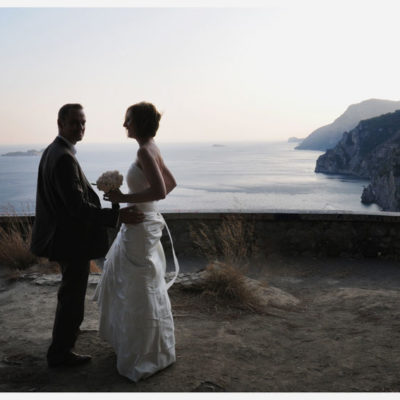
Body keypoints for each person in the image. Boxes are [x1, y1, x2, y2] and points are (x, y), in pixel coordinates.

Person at [30, 103, 144, 368]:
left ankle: (64, 341)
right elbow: (77, 208)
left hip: (64, 238)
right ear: (61, 124)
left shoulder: (55, 151)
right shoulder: (63, 158)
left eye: (83, 123)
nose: (80, 128)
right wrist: (117, 216)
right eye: (74, 123)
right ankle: (60, 352)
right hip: (69, 241)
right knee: (71, 296)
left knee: (69, 293)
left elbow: (70, 200)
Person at [93, 101, 179, 382]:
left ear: (138, 122)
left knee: (137, 287)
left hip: (140, 227)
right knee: (139, 284)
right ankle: (150, 349)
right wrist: (137, 203)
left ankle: (142, 354)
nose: (123, 124)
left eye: (127, 119)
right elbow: (170, 183)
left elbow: (161, 191)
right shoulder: (153, 147)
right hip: (143, 221)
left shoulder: (144, 150)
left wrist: (122, 200)